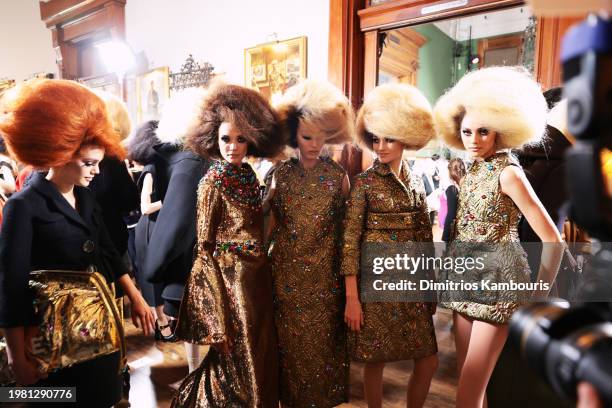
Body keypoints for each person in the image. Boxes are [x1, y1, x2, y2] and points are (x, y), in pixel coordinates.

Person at [0, 79, 154, 407]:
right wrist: (16, 356)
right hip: (50, 338)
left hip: (98, 330)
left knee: (104, 396)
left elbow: (108, 251)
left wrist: (135, 296)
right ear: (60, 154)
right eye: (89, 163)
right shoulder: (23, 206)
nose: (97, 171)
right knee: (60, 402)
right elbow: (10, 286)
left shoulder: (86, 198)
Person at [433, 66, 564, 408]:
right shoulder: (473, 169)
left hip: (499, 284)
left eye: (483, 131)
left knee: (468, 392)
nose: (473, 140)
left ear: (502, 131)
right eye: (466, 132)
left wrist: (540, 290)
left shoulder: (510, 174)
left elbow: (553, 238)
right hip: (464, 278)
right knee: (469, 382)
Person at [170, 82, 284, 407]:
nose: (232, 147)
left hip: (257, 277)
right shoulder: (211, 182)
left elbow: (251, 223)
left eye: (240, 139)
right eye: (225, 139)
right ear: (213, 138)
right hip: (230, 281)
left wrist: (270, 199)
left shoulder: (248, 175)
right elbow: (204, 249)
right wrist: (214, 313)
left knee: (260, 352)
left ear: (251, 140)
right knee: (238, 353)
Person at [342, 83, 438, 408]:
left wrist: (430, 287)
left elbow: (425, 238)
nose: (380, 146)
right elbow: (349, 243)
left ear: (406, 137)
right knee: (375, 359)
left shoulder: (417, 181)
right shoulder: (365, 184)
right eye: (376, 138)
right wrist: (352, 299)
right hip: (376, 286)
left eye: (389, 138)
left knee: (428, 360)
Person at [265, 80, 352, 407]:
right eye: (306, 136)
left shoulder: (338, 176)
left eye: (322, 136)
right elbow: (265, 230)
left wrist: (351, 288)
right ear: (292, 135)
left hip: (327, 284)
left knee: (323, 356)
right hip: (286, 282)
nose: (315, 144)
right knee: (288, 357)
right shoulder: (278, 176)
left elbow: (347, 235)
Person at [141, 87, 209, 370]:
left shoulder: (187, 158)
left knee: (196, 334)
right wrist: (157, 266)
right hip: (188, 263)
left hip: (187, 261)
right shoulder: (190, 161)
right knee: (195, 334)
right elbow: (178, 217)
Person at [127, 120, 174, 341]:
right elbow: (145, 207)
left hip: (158, 225)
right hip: (149, 227)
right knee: (153, 277)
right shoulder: (151, 169)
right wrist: (172, 201)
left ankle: (164, 321)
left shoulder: (161, 167)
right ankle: (161, 323)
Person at [441, 158, 466, 242]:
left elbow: (451, 213)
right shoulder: (465, 185)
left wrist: (446, 236)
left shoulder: (452, 188)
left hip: (457, 229)